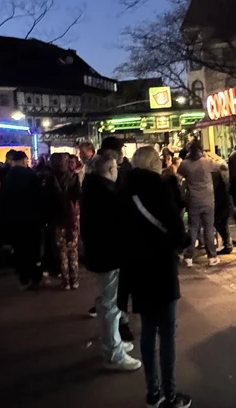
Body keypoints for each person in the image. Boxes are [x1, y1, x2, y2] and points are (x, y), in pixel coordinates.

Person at [122, 146, 193, 408]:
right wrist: (183, 241)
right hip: (161, 270)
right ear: (154, 164)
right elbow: (177, 229)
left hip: (137, 271)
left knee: (147, 331)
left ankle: (153, 392)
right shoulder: (159, 188)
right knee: (166, 335)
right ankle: (171, 395)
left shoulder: (124, 191)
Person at [81, 153, 142, 372]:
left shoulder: (94, 188)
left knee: (108, 302)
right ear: (110, 170)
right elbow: (115, 225)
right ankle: (113, 351)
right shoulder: (104, 193)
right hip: (109, 254)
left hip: (102, 253)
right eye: (115, 167)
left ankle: (113, 342)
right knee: (110, 304)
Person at [0, 150, 46, 289]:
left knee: (20, 250)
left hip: (15, 219)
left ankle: (24, 279)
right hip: (32, 218)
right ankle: (36, 277)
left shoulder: (8, 177)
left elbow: (3, 200)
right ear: (23, 160)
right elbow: (40, 197)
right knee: (33, 249)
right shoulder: (31, 176)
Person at [176, 143, 226, 266]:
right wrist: (213, 157)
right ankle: (212, 257)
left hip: (193, 200)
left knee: (193, 228)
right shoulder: (207, 162)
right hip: (208, 200)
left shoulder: (185, 164)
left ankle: (188, 257)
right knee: (208, 228)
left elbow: (178, 173)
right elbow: (223, 166)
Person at [48, 152, 83, 290]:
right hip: (72, 216)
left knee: (62, 250)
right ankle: (75, 279)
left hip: (57, 218)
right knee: (73, 248)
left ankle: (65, 280)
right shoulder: (73, 177)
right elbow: (78, 195)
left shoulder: (50, 178)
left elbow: (47, 199)